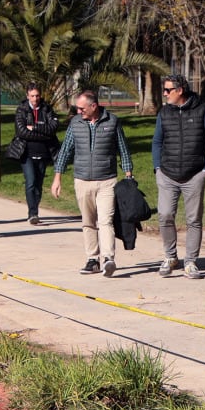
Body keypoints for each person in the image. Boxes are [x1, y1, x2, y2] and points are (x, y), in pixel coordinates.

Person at [51, 89, 133, 276]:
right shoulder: (75, 123)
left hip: (107, 180)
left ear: (93, 106)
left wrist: (128, 174)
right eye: (77, 108)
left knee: (106, 220)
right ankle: (92, 259)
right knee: (88, 222)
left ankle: (108, 258)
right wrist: (58, 177)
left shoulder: (112, 121)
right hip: (82, 180)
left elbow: (123, 149)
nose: (79, 111)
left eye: (81, 108)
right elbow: (65, 151)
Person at [151, 72, 205, 279]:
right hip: (167, 174)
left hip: (194, 175)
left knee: (193, 220)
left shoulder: (202, 110)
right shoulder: (164, 113)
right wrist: (157, 168)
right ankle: (170, 257)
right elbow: (157, 142)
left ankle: (190, 262)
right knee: (164, 215)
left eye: (168, 90)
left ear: (180, 91)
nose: (165, 94)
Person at [14, 83, 59, 225]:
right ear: (27, 96)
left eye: (37, 95)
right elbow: (21, 131)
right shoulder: (21, 110)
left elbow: (53, 128)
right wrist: (43, 133)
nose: (35, 99)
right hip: (26, 153)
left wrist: (34, 128)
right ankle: (32, 213)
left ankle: (35, 208)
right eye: (32, 96)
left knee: (39, 184)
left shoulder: (47, 109)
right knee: (31, 182)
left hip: (44, 153)